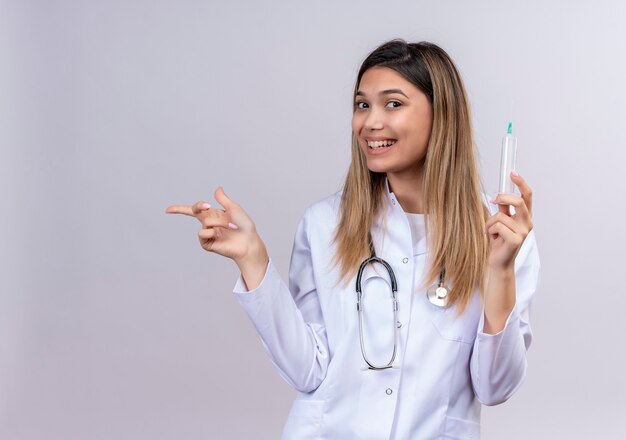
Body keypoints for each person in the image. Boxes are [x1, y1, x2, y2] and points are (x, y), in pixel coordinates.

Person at [166, 40, 540, 439]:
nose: (370, 122)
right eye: (362, 105)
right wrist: (253, 261)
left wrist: (499, 271)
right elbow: (306, 369)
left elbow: (494, 388)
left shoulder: (501, 235)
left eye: (392, 104)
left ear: (442, 115)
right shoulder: (326, 224)